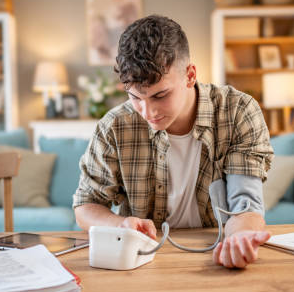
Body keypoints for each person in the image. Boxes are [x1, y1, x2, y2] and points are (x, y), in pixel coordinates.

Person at [73, 15, 274, 269]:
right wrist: (120, 224)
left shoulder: (238, 112)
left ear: (190, 75)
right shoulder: (114, 126)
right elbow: (85, 206)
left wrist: (239, 238)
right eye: (136, 97)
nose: (148, 112)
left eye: (160, 95)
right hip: (141, 263)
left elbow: (245, 205)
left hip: (213, 258)